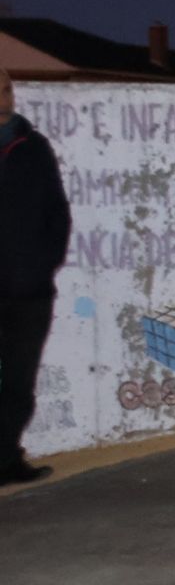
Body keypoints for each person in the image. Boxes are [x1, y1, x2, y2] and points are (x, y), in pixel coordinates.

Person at [0, 68, 71, 486]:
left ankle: (7, 459)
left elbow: (56, 211)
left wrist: (44, 262)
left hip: (29, 288)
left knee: (19, 381)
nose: (5, 96)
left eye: (7, 88)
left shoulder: (34, 146)